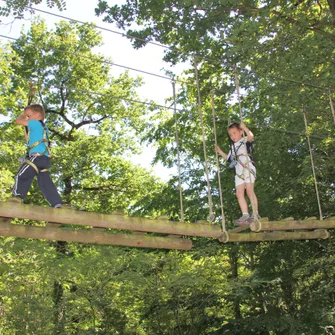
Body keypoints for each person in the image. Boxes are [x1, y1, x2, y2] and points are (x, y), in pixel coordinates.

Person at [11, 104, 62, 208]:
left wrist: (23, 115)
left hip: (36, 158)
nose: (27, 118)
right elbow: (29, 138)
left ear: (37, 114)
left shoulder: (34, 123)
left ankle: (17, 196)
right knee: (45, 182)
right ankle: (56, 202)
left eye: (29, 115)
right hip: (44, 159)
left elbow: (18, 121)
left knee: (21, 175)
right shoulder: (44, 127)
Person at [215, 121, 259, 224]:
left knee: (249, 191)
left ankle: (255, 213)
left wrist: (245, 128)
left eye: (234, 133)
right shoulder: (233, 147)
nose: (232, 136)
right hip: (239, 171)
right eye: (230, 134)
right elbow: (229, 159)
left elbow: (251, 136)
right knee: (239, 193)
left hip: (248, 167)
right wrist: (220, 151)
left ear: (241, 132)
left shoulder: (244, 140)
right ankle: (245, 215)